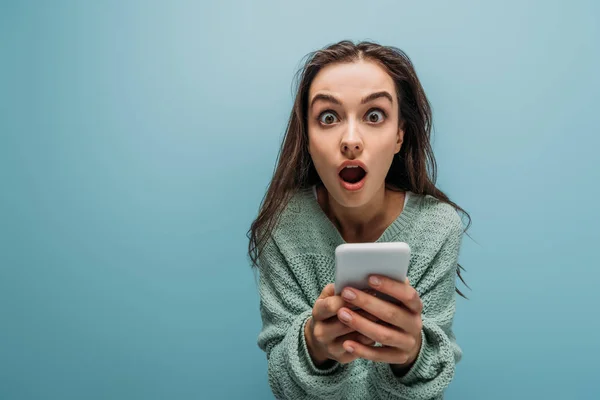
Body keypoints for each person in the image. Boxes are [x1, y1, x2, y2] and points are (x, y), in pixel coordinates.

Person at [248, 40, 471, 400]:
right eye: (329, 117)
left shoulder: (437, 227)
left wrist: (412, 354)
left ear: (400, 135)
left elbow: (434, 375)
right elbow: (282, 381)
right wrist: (314, 346)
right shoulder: (282, 227)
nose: (351, 141)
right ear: (307, 138)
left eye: (374, 115)